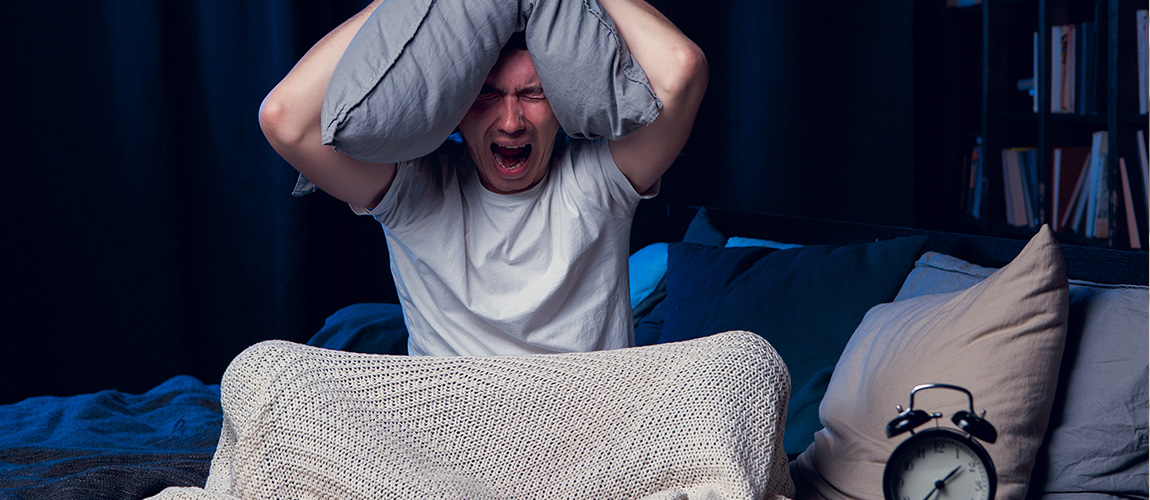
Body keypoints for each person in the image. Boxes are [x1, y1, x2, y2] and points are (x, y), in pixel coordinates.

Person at [258, 0, 707, 356]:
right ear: (452, 110)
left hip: (585, 431)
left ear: (563, 103)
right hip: (452, 435)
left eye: (534, 94)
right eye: (485, 95)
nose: (510, 122)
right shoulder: (413, 191)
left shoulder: (598, 181)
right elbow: (285, 120)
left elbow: (682, 69)